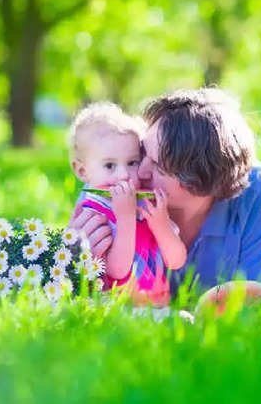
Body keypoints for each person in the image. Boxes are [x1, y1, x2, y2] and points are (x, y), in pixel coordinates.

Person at [69, 88, 261, 296]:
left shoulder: (257, 194)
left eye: (157, 165)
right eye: (142, 153)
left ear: (198, 180)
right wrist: (75, 260)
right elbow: (85, 293)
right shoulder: (114, 187)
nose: (139, 172)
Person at [69, 103, 186, 305]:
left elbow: (176, 261)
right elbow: (117, 271)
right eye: (109, 166)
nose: (123, 175)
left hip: (158, 305)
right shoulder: (93, 214)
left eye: (132, 163)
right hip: (119, 308)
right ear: (82, 171)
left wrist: (161, 226)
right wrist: (125, 217)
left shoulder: (148, 204)